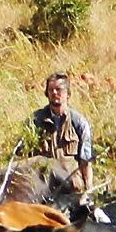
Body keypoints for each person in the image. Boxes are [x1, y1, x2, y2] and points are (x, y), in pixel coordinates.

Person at [32, 71, 93, 202]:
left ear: (68, 94)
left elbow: (85, 162)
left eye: (58, 89)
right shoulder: (35, 121)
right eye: (51, 90)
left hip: (72, 189)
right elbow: (24, 157)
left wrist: (88, 192)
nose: (54, 93)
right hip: (43, 190)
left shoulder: (79, 123)